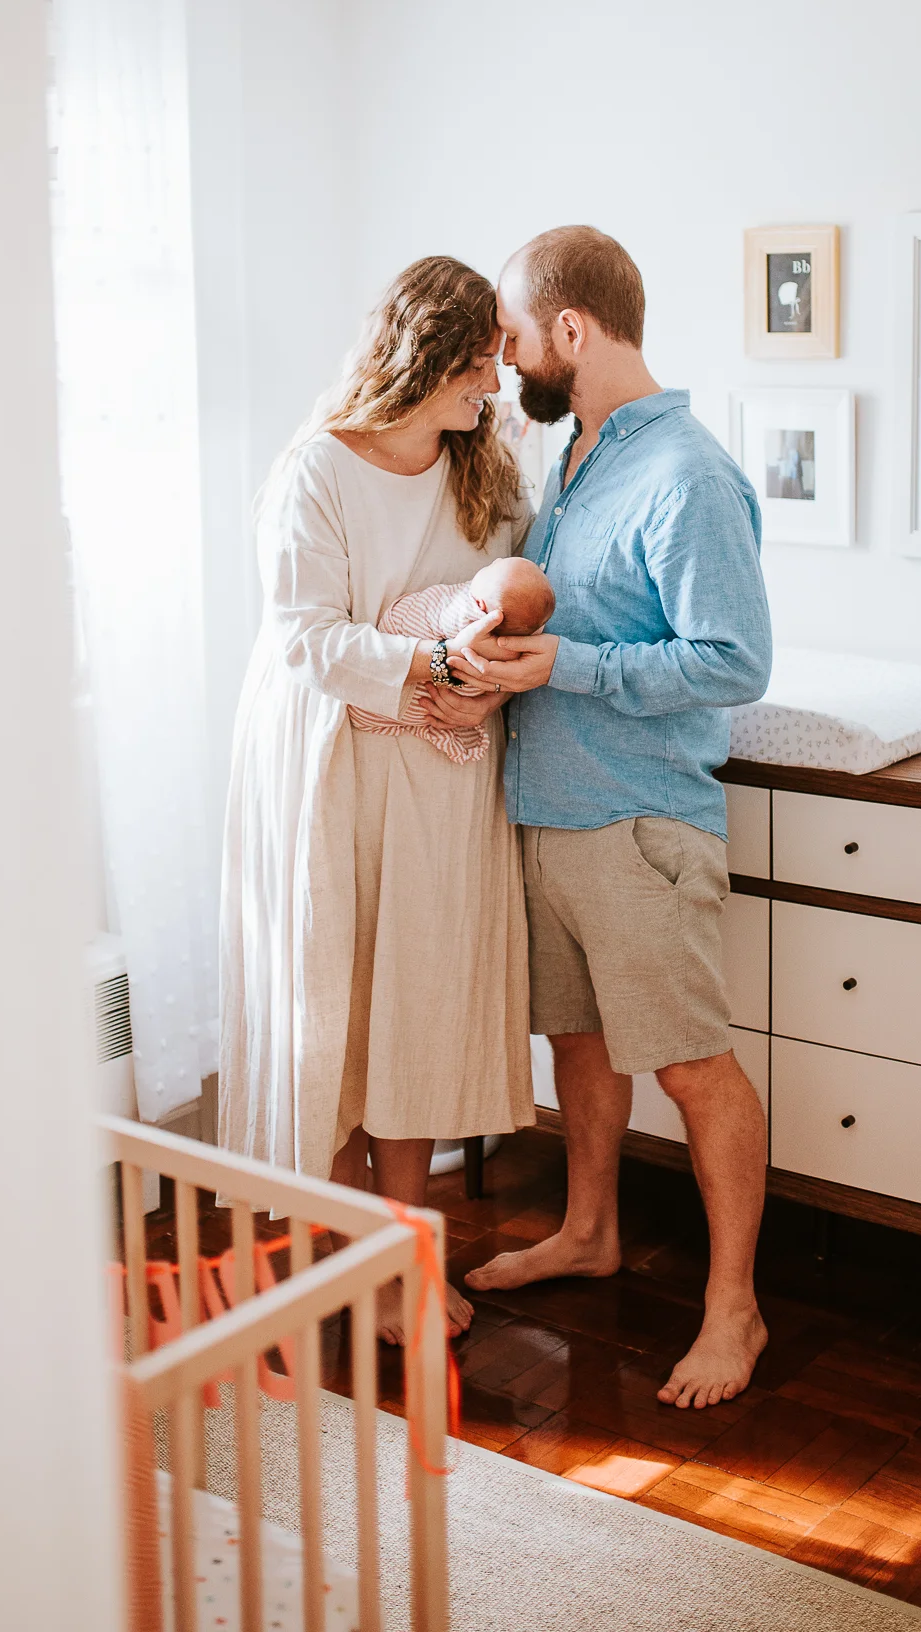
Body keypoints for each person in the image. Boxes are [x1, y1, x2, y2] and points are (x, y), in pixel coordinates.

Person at [457, 224, 773, 1409]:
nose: (508, 361)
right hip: (549, 810)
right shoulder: (576, 455)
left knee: (692, 1067)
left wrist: (568, 667)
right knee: (577, 1047)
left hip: (639, 822)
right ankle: (591, 1229)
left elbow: (735, 660)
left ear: (571, 331)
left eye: (517, 337)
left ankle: (734, 1304)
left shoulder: (686, 472)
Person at [217, 256, 535, 1341]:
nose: (492, 384)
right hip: (330, 763)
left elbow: (505, 606)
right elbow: (301, 634)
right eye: (479, 363)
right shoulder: (320, 470)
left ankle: (406, 1249)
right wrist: (428, 670)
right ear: (429, 354)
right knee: (338, 1004)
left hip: (441, 768)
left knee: (416, 1003)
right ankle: (359, 1250)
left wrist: (480, 679)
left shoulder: (482, 472)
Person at [348, 557, 555, 762]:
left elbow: (445, 616)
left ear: (481, 606)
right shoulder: (523, 638)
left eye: (492, 567)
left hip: (408, 684)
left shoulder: (466, 611)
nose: (496, 559)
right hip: (432, 691)